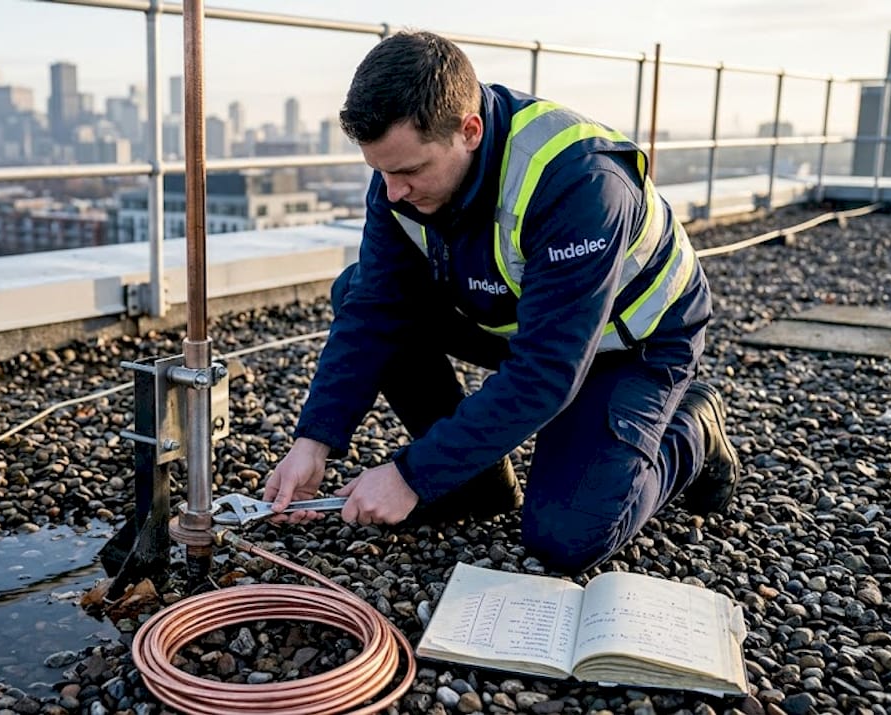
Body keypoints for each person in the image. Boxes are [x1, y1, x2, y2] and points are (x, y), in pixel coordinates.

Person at [262, 30, 741, 575]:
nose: (391, 191)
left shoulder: (579, 183)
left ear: (469, 131)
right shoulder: (400, 178)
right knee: (356, 289)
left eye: (409, 171)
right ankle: (478, 486)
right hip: (525, 321)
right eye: (380, 171)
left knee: (566, 539)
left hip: (633, 342)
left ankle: (693, 428)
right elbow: (375, 307)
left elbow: (545, 371)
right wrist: (314, 441)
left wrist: (411, 475)